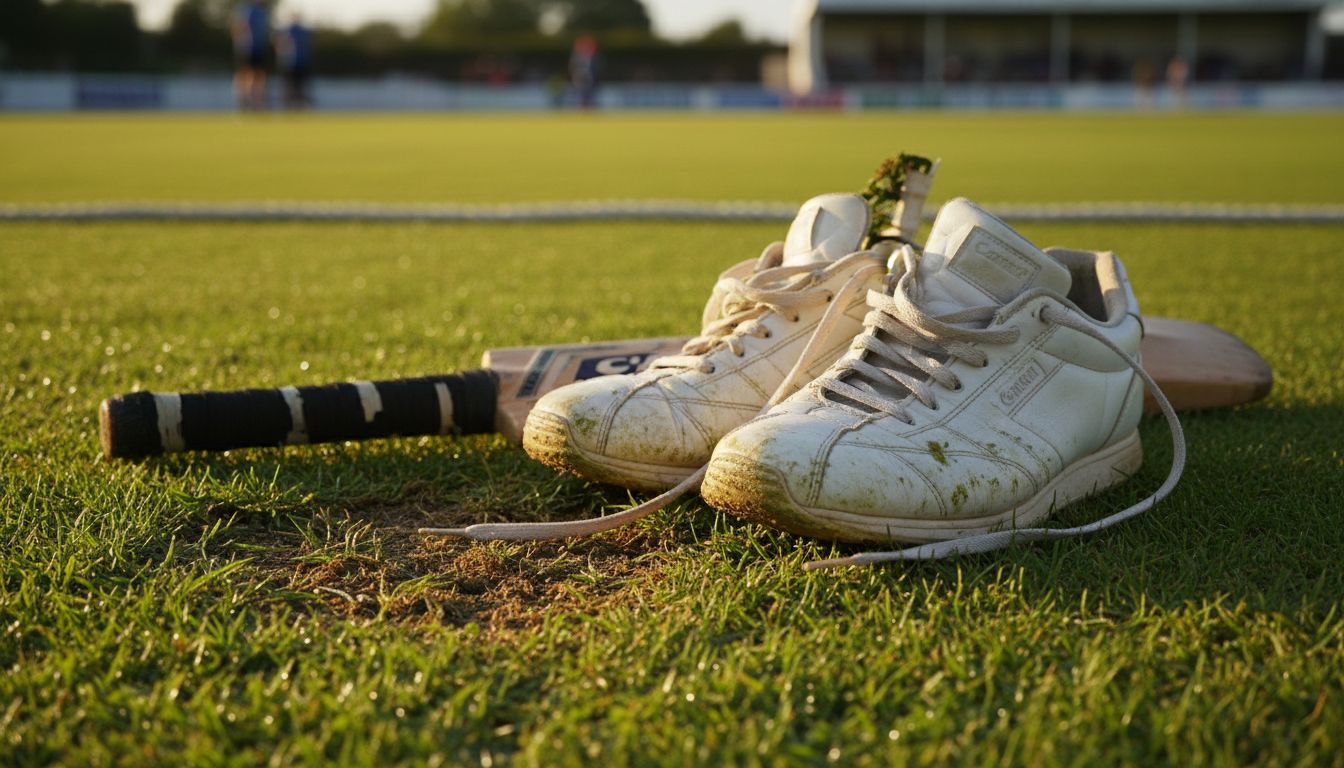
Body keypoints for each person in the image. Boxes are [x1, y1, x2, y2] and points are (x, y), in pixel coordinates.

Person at [232, 0, 270, 110]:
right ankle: (244, 100)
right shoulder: (245, 9)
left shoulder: (262, 12)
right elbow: (238, 28)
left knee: (259, 74)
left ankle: (256, 101)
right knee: (245, 73)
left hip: (259, 48)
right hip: (246, 48)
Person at [275, 15, 313, 109]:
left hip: (301, 63)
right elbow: (279, 45)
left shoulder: (303, 31)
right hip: (289, 64)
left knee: (301, 87)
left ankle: (301, 107)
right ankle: (288, 106)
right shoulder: (287, 31)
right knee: (288, 86)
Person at [570, 35, 598, 110]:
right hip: (580, 78)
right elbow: (573, 68)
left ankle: (588, 108)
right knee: (580, 94)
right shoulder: (576, 57)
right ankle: (581, 107)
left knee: (589, 94)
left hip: (588, 79)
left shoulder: (591, 58)